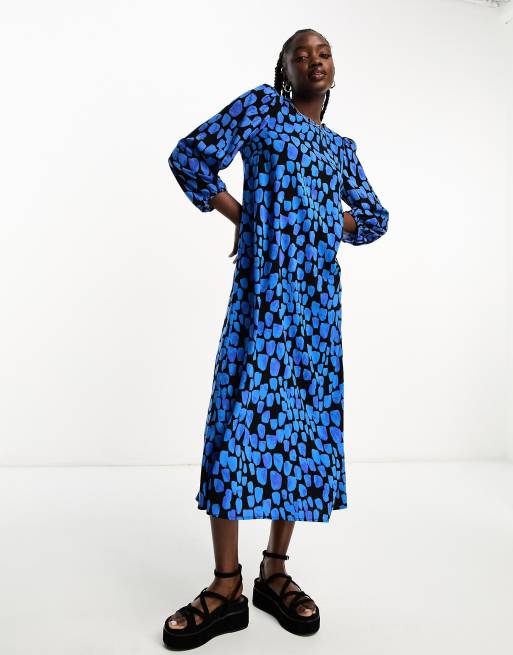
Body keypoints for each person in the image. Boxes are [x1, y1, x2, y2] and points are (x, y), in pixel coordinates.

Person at [163, 28, 389, 650]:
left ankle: (274, 572)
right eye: (301, 53)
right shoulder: (261, 108)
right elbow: (190, 156)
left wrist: (325, 223)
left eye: (324, 53)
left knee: (303, 428)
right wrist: (245, 217)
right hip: (261, 297)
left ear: (334, 70)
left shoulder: (341, 149)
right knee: (237, 421)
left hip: (315, 311)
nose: (315, 60)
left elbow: (374, 218)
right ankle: (226, 585)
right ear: (283, 68)